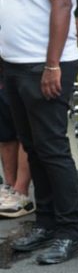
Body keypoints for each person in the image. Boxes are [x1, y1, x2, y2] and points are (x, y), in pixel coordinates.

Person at [0, 0, 78, 264]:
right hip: (17, 67)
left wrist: (52, 65)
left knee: (52, 150)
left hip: (45, 67)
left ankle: (70, 232)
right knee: (34, 148)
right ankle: (47, 224)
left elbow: (62, 3)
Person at [0, 81, 33, 218]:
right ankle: (10, 189)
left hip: (27, 69)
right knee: (5, 132)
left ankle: (21, 193)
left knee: (25, 131)